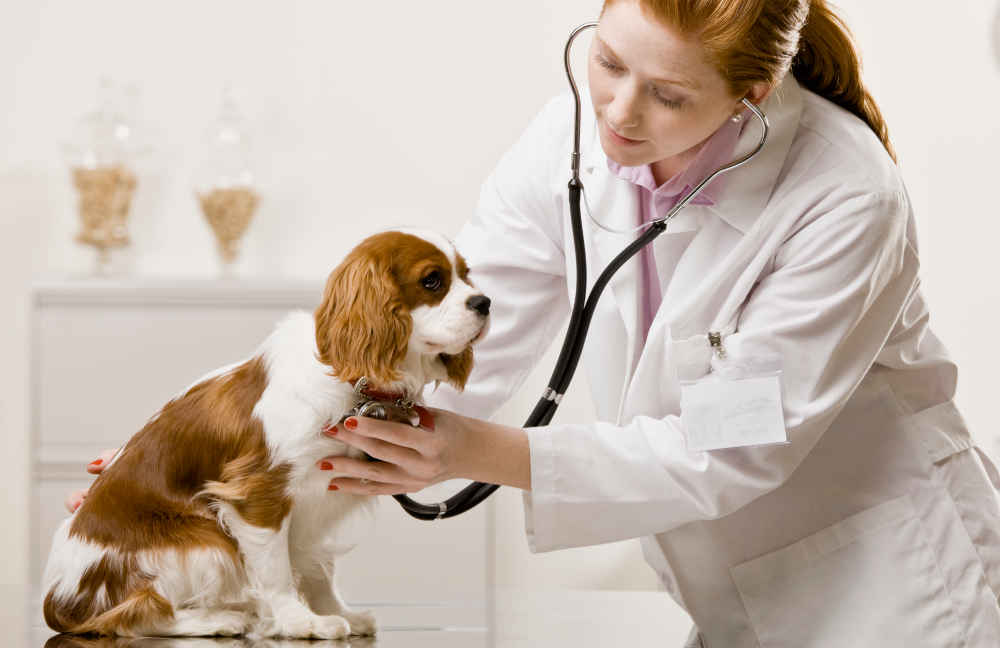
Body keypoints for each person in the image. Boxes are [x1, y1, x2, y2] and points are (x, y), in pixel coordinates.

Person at [72, 0, 1000, 645]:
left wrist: (482, 451)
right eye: (605, 60)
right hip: (734, 592)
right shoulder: (573, 134)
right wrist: (180, 475)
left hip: (894, 590)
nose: (617, 113)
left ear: (751, 96)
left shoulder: (844, 196)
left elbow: (734, 445)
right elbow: (455, 333)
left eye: (669, 95)